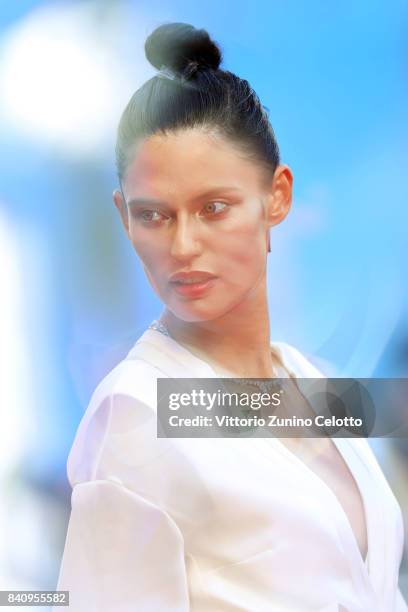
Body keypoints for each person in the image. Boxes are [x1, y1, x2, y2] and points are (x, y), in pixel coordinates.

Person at [55, 23, 408, 611]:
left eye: (213, 208)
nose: (184, 245)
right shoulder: (136, 411)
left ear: (277, 196)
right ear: (123, 215)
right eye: (153, 215)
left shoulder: (313, 384)